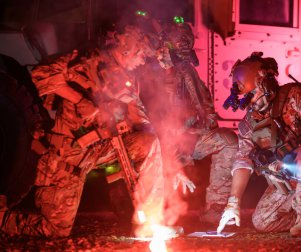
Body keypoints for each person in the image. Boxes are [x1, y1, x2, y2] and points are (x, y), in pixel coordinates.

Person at [0, 26, 169, 237]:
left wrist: (171, 160)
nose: (143, 60)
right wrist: (78, 99)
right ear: (128, 48)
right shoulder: (89, 60)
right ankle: (2, 217)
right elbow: (41, 74)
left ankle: (150, 223)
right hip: (69, 157)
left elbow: (140, 119)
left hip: (99, 150)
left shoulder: (127, 78)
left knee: (148, 142)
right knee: (54, 230)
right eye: (142, 54)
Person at [217, 52, 301, 236]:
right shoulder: (250, 122)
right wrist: (233, 202)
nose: (252, 102)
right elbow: (243, 160)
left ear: (265, 84)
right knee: (262, 221)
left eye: (253, 94)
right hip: (290, 180)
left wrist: (296, 155)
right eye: (247, 97)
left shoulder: (295, 96)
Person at [139, 21, 238, 225]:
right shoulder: (153, 74)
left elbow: (206, 107)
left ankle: (216, 207)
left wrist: (202, 125)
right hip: (162, 142)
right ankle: (156, 212)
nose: (184, 46)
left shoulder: (189, 72)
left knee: (227, 140)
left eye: (187, 42)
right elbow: (153, 117)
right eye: (180, 42)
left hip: (190, 137)